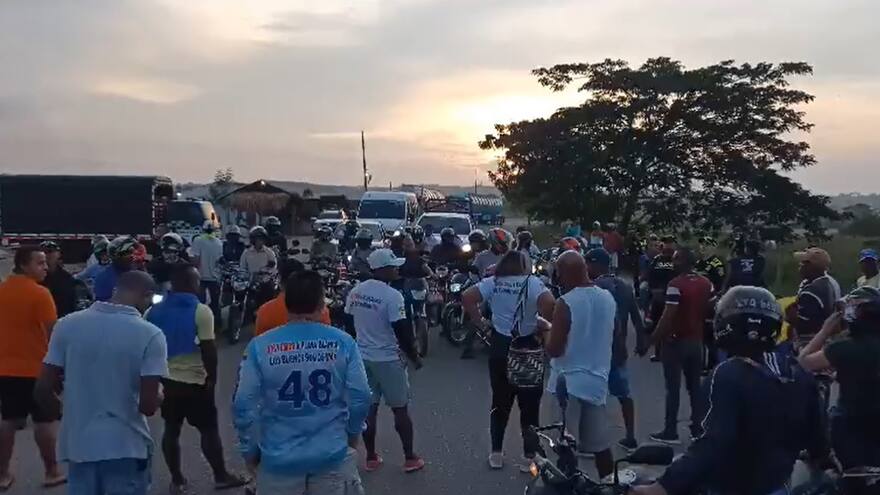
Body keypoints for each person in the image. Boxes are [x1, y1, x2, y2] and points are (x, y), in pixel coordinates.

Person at [631, 286, 829, 495]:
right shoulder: (797, 372)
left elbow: (712, 443)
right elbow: (818, 443)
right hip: (777, 487)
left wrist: (662, 486)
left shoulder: (728, 373)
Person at [234, 271, 372, 495]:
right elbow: (361, 395)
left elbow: (243, 404)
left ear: (286, 303)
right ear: (321, 302)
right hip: (332, 456)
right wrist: (352, 435)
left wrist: (250, 451)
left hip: (278, 463)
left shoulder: (260, 346)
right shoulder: (343, 342)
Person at [33, 271, 167, 495]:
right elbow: (148, 406)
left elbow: (42, 389)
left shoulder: (67, 325)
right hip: (126, 446)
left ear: (116, 290)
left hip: (79, 448)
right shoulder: (151, 335)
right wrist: (160, 393)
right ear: (147, 296)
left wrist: (67, 414)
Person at [145, 265, 247, 494]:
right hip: (195, 381)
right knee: (209, 430)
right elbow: (209, 349)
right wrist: (212, 379)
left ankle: (177, 479)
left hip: (167, 382)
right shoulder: (201, 311)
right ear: (192, 284)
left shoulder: (153, 311)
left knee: (171, 430)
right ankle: (221, 476)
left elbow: (146, 345)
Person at [462, 251, 555, 471]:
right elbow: (550, 303)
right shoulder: (533, 283)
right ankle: (528, 456)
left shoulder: (494, 282)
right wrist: (538, 321)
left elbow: (467, 297)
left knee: (500, 402)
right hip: (528, 346)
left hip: (501, 346)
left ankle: (496, 453)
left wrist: (481, 322)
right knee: (529, 405)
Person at [344, 249, 425, 473]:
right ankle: (410, 457)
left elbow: (348, 321)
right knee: (400, 409)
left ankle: (370, 457)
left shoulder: (356, 292)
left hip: (362, 358)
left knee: (370, 408)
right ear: (383, 270)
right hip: (388, 359)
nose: (397, 269)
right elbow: (402, 330)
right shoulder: (393, 296)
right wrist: (414, 357)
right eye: (393, 266)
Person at [798, 286, 880, 485]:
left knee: (853, 477)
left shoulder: (843, 348)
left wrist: (825, 330)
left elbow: (803, 362)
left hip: (850, 424)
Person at [543, 251, 615, 477]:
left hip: (568, 384)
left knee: (564, 447)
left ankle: (567, 486)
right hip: (596, 384)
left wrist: (545, 329)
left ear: (564, 273)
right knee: (600, 446)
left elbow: (554, 348)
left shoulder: (566, 302)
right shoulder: (607, 298)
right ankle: (609, 485)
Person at [0, 245, 64, 491]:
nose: (45, 267)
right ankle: (52, 471)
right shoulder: (40, 294)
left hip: (5, 367)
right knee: (45, 421)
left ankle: (3, 473)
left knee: (8, 420)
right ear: (23, 265)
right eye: (40, 263)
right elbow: (53, 333)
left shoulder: (2, 291)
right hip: (37, 369)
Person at [645, 247, 712, 444]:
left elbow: (668, 316)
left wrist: (652, 339)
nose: (672, 263)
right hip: (696, 341)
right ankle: (698, 428)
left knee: (672, 388)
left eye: (675, 260)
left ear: (682, 261)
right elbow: (710, 308)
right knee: (695, 387)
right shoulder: (705, 283)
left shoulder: (675, 284)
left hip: (675, 342)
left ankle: (670, 430)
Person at [585, 248, 646, 451]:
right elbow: (637, 318)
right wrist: (641, 342)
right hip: (618, 352)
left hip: (597, 351)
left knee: (592, 396)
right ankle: (630, 436)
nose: (586, 268)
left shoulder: (594, 287)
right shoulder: (625, 286)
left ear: (597, 265)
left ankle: (593, 441)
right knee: (624, 395)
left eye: (588, 264)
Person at [256, 258, 331, 336]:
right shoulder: (321, 311)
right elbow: (328, 340)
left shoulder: (265, 311)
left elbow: (260, 344)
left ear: (280, 280)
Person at [792, 247, 841, 346]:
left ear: (811, 266)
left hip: (812, 343)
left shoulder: (811, 292)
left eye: (802, 263)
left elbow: (805, 326)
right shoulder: (830, 283)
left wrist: (791, 318)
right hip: (828, 340)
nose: (799, 266)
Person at [191, 220, 224, 327]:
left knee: (200, 304)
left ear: (203, 230)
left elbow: (196, 260)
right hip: (215, 278)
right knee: (215, 304)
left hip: (201, 278)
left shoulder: (198, 240)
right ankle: (216, 326)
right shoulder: (219, 243)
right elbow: (220, 262)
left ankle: (200, 326)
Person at [646, 236, 677, 338]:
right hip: (658, 289)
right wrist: (653, 288)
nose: (668, 245)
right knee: (643, 290)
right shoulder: (657, 259)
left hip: (674, 290)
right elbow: (650, 275)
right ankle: (649, 318)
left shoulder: (677, 259)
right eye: (666, 243)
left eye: (670, 243)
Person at [93, 236, 140, 302]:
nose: (132, 256)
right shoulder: (104, 278)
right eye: (127, 253)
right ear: (116, 256)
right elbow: (103, 305)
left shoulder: (138, 274)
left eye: (132, 252)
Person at [39, 241, 77, 318]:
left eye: (50, 251)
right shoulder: (34, 277)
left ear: (58, 254)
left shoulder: (67, 278)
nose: (47, 255)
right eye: (44, 252)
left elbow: (71, 303)